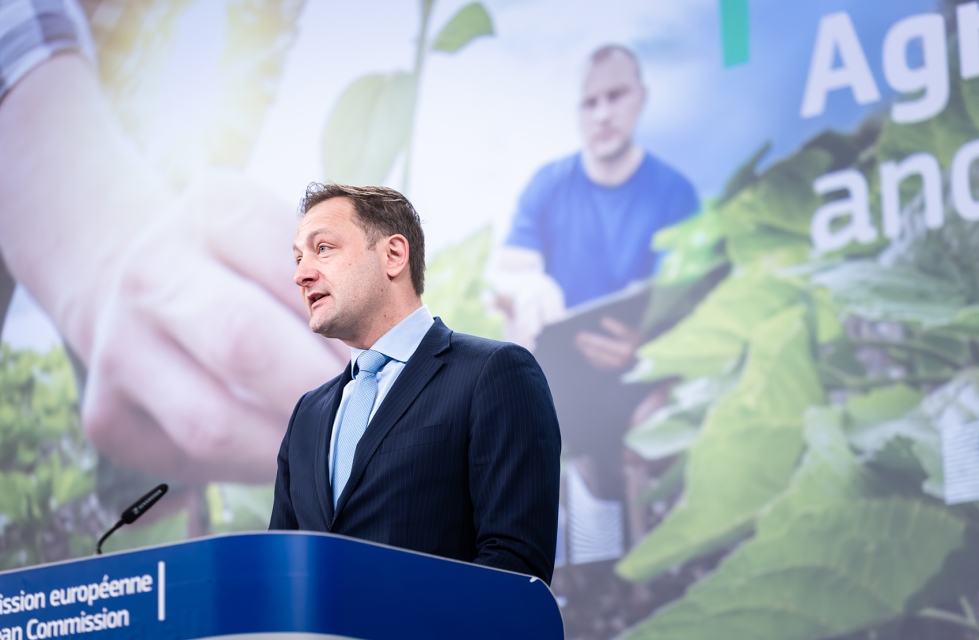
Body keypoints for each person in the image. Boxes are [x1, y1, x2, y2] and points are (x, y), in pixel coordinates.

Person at [0, 0, 345, 483]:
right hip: (46, 111)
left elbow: (254, 56)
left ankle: (148, 522)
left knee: (166, 385)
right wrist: (106, 247)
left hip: (130, 123)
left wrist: (195, 205)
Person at [269, 183, 562, 583]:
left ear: (393, 255)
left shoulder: (493, 373)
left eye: (323, 249)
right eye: (299, 257)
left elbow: (514, 564)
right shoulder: (307, 414)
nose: (301, 274)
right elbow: (278, 570)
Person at [487, 44, 699, 364]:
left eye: (616, 96)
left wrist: (645, 350)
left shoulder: (676, 195)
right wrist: (525, 287)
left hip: (634, 374)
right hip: (556, 368)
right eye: (590, 103)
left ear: (641, 97)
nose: (602, 115)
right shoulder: (549, 183)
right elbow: (502, 275)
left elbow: (684, 304)